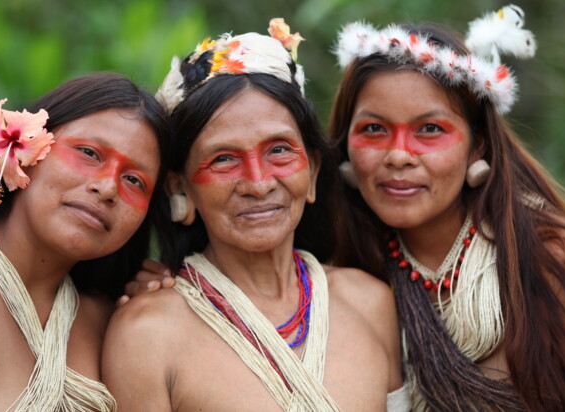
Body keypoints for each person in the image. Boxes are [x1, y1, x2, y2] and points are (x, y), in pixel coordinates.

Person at [329, 7, 565, 411]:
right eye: (374, 129)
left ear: (478, 145)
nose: (399, 155)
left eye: (430, 129)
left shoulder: (554, 257)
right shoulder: (346, 279)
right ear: (345, 144)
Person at [102, 19, 402, 411]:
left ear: (312, 172)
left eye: (279, 150)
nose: (258, 183)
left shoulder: (370, 303)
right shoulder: (147, 333)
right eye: (224, 159)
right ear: (180, 189)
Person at [0, 73, 169, 411]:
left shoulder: (108, 319)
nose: (107, 189)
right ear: (26, 147)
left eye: (134, 180)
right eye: (89, 153)